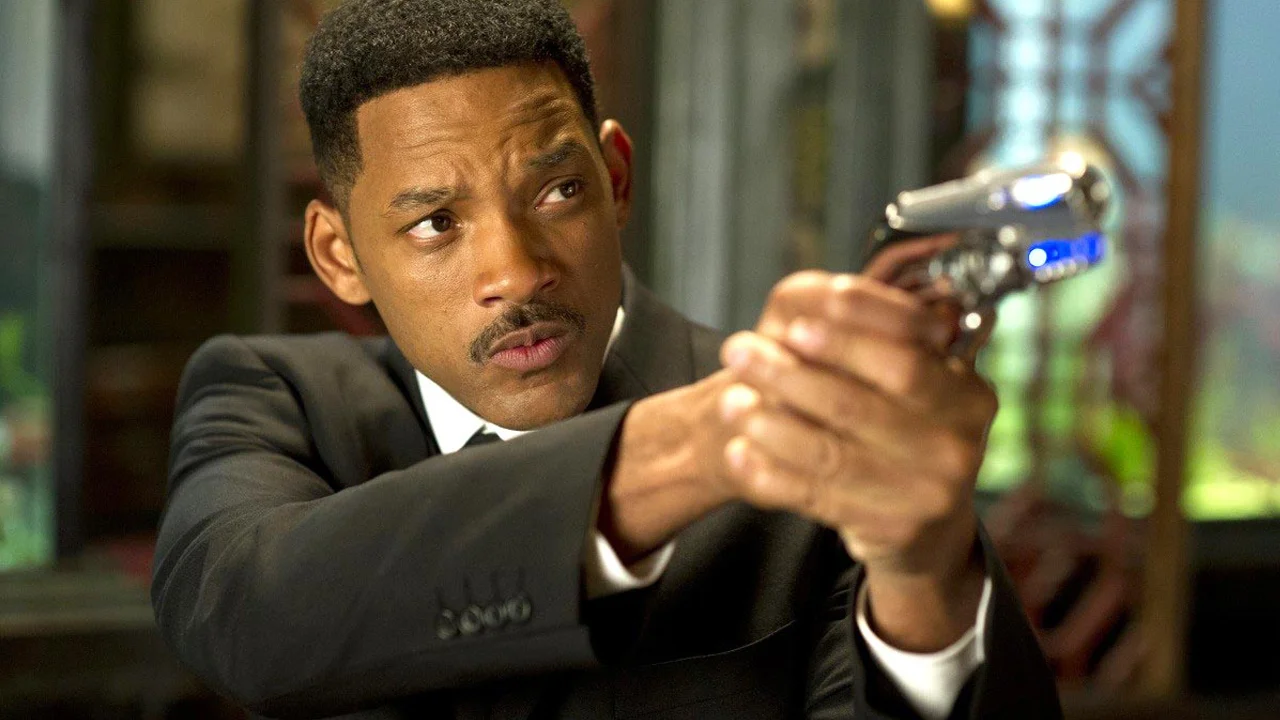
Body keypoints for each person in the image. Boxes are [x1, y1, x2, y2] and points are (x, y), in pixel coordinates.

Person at [152, 1, 1061, 718]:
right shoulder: (277, 400)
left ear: (615, 179)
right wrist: (706, 444)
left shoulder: (824, 437)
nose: (517, 272)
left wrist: (922, 581)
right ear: (337, 254)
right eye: (435, 223)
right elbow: (250, 615)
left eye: (557, 189)